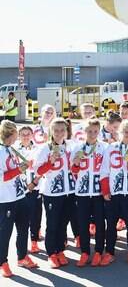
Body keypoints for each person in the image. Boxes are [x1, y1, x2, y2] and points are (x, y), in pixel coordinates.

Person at [34, 118, 75, 268]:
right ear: (51, 131)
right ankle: (51, 253)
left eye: (62, 130)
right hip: (52, 192)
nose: (59, 133)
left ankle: (60, 250)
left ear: (66, 131)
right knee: (52, 224)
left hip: (69, 191)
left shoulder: (71, 146)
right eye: (56, 130)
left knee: (63, 223)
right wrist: (50, 162)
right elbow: (38, 171)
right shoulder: (45, 148)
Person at [102, 120, 128, 266]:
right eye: (126, 132)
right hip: (114, 193)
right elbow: (105, 170)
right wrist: (105, 190)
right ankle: (110, 252)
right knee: (111, 223)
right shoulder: (111, 148)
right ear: (120, 132)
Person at [70, 119, 110, 267]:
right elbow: (73, 171)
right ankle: (85, 252)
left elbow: (108, 169)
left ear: (99, 131)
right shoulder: (77, 148)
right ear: (84, 132)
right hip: (82, 192)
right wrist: (75, 162)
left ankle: (99, 251)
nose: (92, 134)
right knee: (83, 223)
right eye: (89, 131)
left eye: (95, 131)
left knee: (100, 223)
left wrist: (106, 190)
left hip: (99, 192)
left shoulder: (105, 147)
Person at [0, 120, 36, 277]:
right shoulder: (1, 151)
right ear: (12, 133)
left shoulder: (11, 149)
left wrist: (23, 168)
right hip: (5, 198)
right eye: (17, 132)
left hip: (20, 195)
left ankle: (22, 257)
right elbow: (2, 177)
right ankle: (3, 262)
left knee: (23, 228)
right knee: (5, 232)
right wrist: (19, 169)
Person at [17, 126, 42, 254]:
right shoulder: (14, 150)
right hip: (20, 191)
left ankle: (34, 241)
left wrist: (34, 182)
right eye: (23, 134)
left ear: (32, 135)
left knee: (36, 216)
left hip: (35, 187)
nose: (25, 136)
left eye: (28, 134)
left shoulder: (38, 149)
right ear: (18, 136)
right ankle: (23, 245)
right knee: (23, 219)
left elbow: (42, 168)